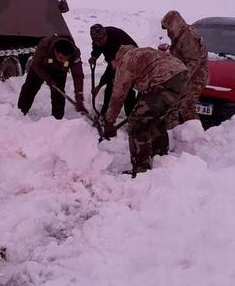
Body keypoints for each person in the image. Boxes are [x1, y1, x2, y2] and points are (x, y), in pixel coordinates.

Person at [103, 45, 188, 176]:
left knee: (136, 123)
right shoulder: (143, 53)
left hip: (164, 82)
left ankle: (141, 169)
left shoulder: (126, 60)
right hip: (183, 77)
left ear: (118, 58)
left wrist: (109, 121)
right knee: (156, 119)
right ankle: (161, 159)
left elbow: (118, 95)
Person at [18, 34, 86, 119]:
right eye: (61, 58)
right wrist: (48, 80)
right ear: (55, 52)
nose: (63, 60)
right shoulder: (44, 45)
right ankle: (20, 112)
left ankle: (57, 120)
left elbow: (78, 76)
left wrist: (79, 97)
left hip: (60, 71)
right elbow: (36, 64)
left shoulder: (75, 54)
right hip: (41, 68)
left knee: (58, 93)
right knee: (29, 87)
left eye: (66, 59)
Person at [160, 10, 208, 128]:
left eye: (168, 27)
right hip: (185, 77)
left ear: (175, 24)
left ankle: (194, 137)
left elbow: (194, 61)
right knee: (173, 106)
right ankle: (173, 133)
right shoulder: (180, 36)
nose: (168, 32)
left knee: (187, 107)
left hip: (194, 78)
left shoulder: (188, 36)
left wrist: (181, 78)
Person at [89, 23, 138, 117]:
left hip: (131, 59)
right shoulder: (97, 38)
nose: (98, 43)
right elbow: (97, 47)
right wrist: (94, 56)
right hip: (115, 60)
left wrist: (99, 86)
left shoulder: (115, 44)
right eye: (96, 41)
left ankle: (132, 117)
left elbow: (110, 71)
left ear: (105, 36)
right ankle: (105, 112)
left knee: (126, 88)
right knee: (110, 87)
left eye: (100, 40)